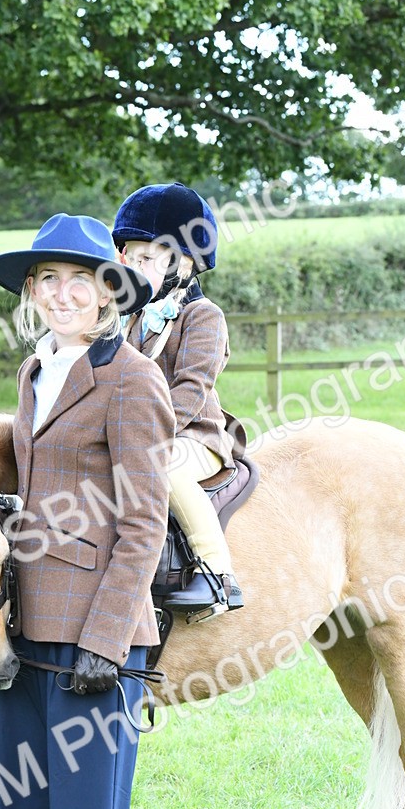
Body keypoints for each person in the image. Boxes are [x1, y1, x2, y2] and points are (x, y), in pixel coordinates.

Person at [0, 214, 175, 809]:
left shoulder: (133, 379)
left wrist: (108, 637)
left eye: (81, 280)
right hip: (24, 625)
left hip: (94, 636)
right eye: (48, 280)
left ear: (108, 293)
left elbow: (145, 521)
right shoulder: (35, 370)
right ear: (32, 292)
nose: (63, 294)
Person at [113, 181, 245, 620]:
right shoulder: (130, 319)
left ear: (183, 262)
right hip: (138, 434)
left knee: (162, 464)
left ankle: (216, 573)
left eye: (147, 259)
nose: (136, 268)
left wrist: (142, 433)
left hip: (194, 438)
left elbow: (192, 389)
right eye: (131, 258)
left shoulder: (204, 316)